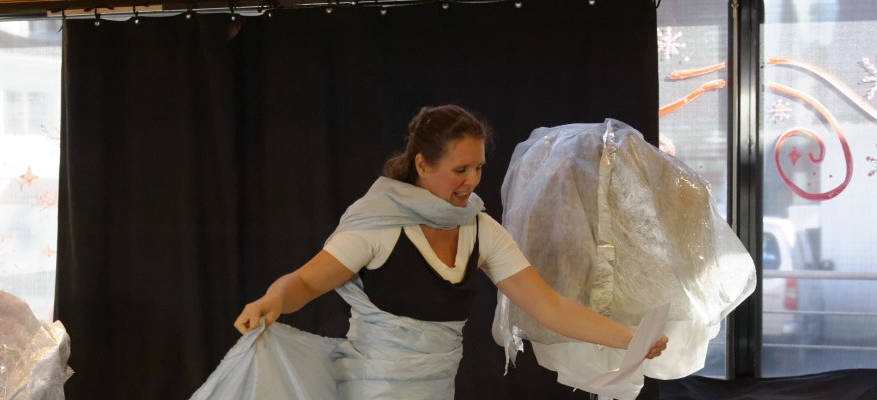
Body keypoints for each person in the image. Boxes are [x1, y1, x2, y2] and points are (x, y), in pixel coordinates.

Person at [228, 105, 667, 400]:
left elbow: (550, 306)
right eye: (460, 169)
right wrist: (272, 300)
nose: (472, 180)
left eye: (478, 168)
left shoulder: (480, 229)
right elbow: (306, 282)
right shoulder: (377, 225)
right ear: (422, 164)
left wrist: (630, 338)